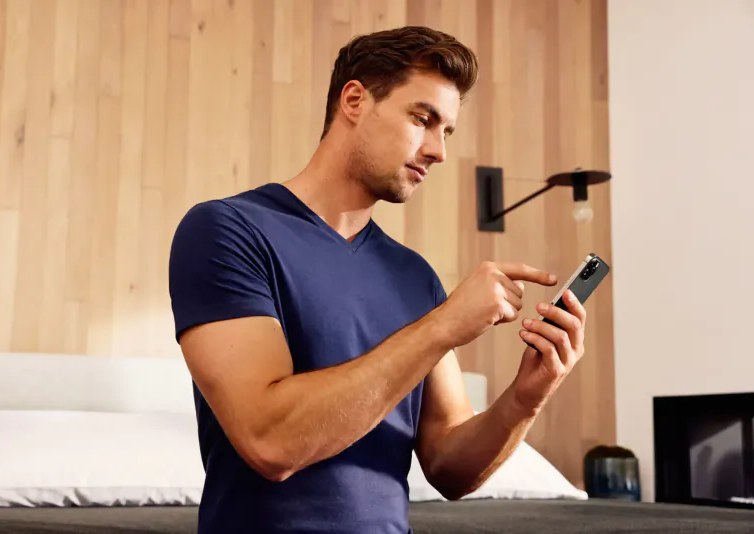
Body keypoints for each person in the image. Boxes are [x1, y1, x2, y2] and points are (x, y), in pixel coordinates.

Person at [169, 25, 588, 534]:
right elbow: (270, 442)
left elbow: (450, 468)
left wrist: (527, 396)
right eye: (422, 118)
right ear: (354, 100)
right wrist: (442, 326)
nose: (438, 150)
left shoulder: (415, 277)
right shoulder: (228, 231)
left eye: (446, 131)